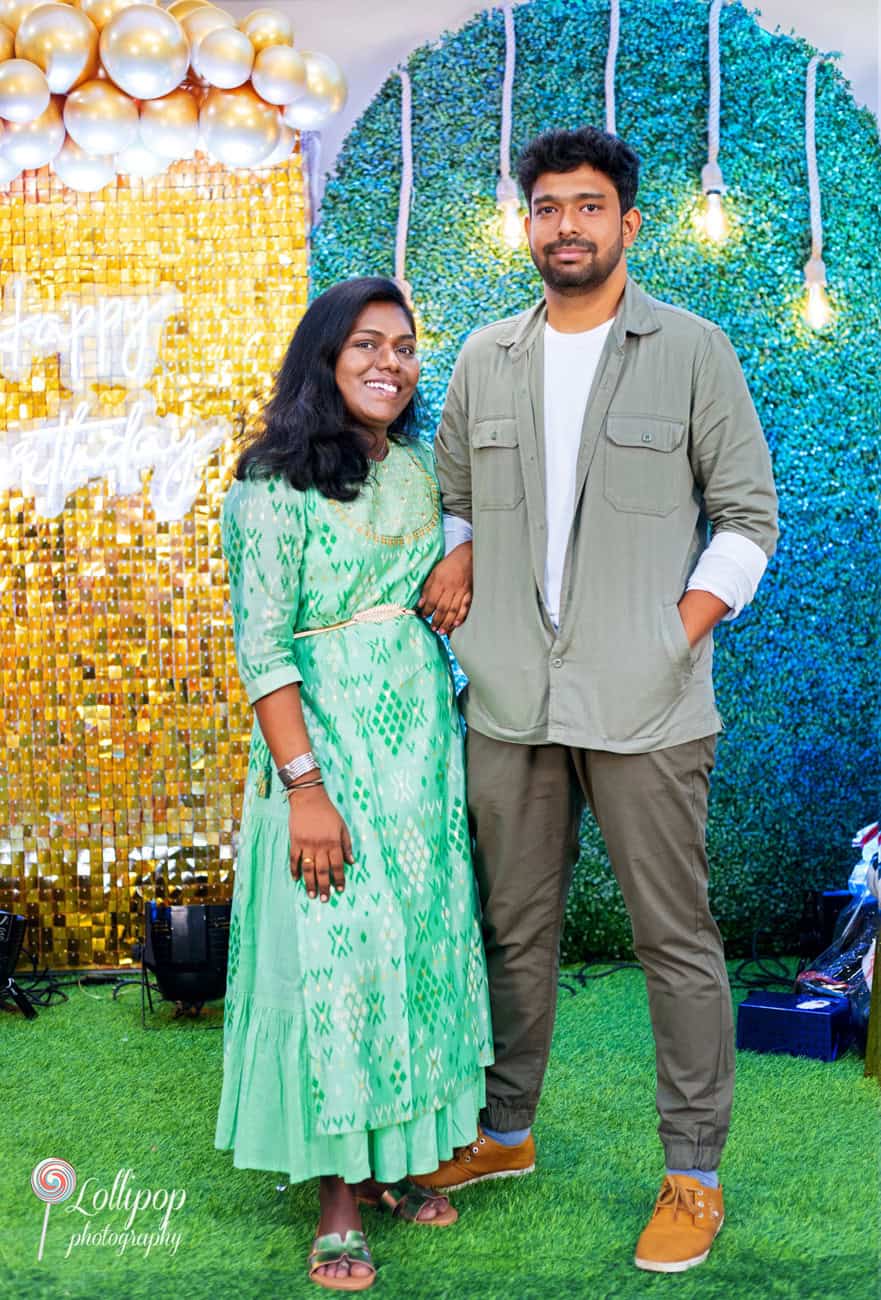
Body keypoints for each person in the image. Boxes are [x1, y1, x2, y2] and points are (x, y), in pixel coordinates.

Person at [417, 126, 778, 1274]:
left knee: (673, 941)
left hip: (649, 705)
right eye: (543, 207)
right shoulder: (484, 355)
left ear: (628, 223)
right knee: (511, 930)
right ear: (524, 225)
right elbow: (453, 503)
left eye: (586, 206)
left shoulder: (691, 350)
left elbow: (746, 519)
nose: (562, 225)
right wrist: (459, 563)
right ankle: (503, 1132)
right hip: (509, 697)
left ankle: (692, 1174)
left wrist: (669, 637)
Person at [214, 276, 492, 1293]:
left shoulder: (417, 473)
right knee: (337, 958)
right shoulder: (271, 486)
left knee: (411, 949)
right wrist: (304, 789)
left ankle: (393, 1164)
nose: (389, 362)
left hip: (417, 750)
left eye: (405, 346)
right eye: (365, 345)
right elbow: (261, 649)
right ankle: (335, 1195)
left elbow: (456, 549)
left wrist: (461, 559)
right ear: (322, 361)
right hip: (322, 753)